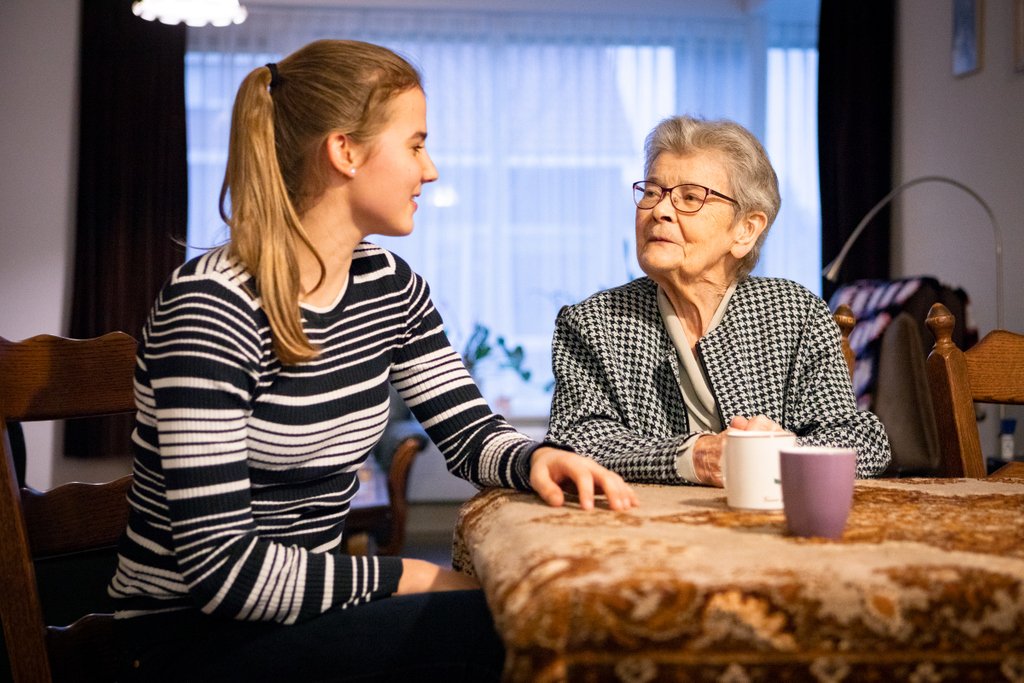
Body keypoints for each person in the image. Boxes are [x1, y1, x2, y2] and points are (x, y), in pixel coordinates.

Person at [107, 39, 636, 682]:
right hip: (190, 638)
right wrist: (411, 575)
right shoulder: (212, 306)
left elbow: (468, 435)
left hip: (304, 616)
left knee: (533, 620)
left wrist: (534, 457)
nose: (431, 168)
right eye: (415, 143)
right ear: (346, 151)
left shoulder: (391, 286)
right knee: (525, 629)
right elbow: (225, 573)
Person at [545, 115, 890, 487]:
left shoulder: (795, 313)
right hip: (644, 532)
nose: (659, 210)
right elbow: (575, 441)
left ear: (745, 230)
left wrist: (785, 452)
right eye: (651, 192)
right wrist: (691, 456)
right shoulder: (593, 323)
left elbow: (864, 441)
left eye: (690, 197)